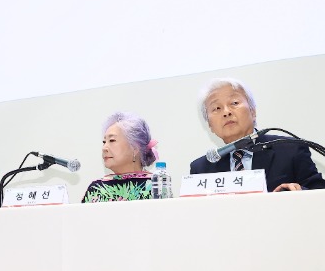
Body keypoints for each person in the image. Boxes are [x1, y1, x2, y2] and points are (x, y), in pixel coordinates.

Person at [189, 77, 325, 192]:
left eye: (234, 103)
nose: (226, 112)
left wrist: (299, 191)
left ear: (253, 112)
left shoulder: (290, 149)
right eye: (216, 108)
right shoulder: (200, 169)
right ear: (210, 125)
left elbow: (318, 191)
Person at [82, 112, 159, 203]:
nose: (104, 148)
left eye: (112, 140)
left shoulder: (156, 186)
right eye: (104, 142)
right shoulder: (96, 189)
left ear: (135, 148)